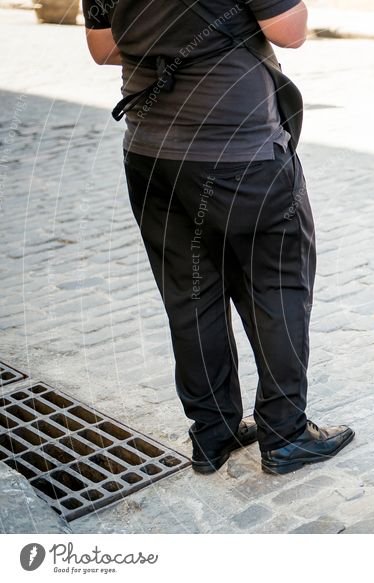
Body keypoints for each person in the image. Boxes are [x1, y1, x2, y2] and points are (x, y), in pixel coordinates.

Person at [81, 0, 354, 475]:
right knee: (278, 286)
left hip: (151, 152)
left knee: (189, 295)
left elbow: (104, 49)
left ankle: (212, 433)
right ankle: (285, 434)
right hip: (238, 148)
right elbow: (289, 31)